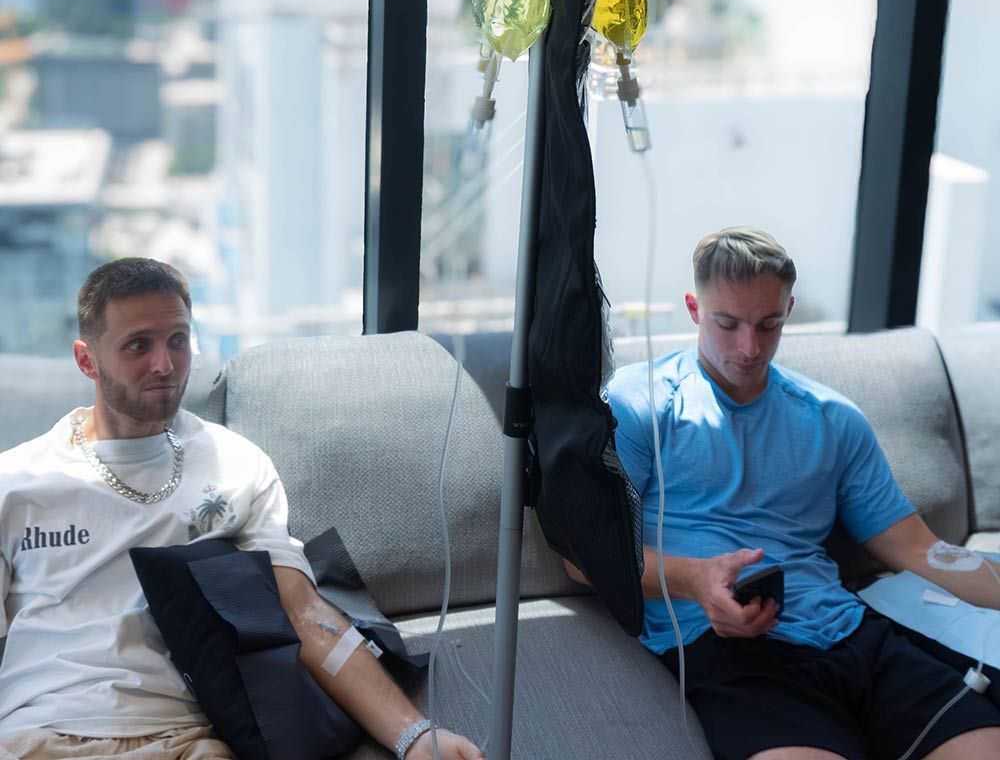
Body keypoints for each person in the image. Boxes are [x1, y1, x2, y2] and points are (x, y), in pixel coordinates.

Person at [0, 258, 483, 760]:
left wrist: (413, 735)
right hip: (39, 734)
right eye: (138, 345)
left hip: (185, 741)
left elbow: (303, 613)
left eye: (178, 340)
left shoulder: (236, 464)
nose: (164, 365)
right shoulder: (16, 481)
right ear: (87, 360)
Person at [602, 227, 1000, 760]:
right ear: (695, 309)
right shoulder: (638, 404)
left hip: (852, 633)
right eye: (728, 324)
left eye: (769, 324)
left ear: (789, 308)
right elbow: (588, 559)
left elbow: (920, 549)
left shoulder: (832, 418)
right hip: (728, 652)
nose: (750, 347)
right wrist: (696, 580)